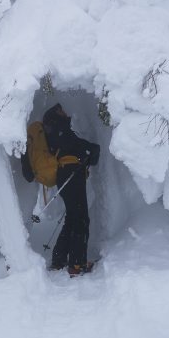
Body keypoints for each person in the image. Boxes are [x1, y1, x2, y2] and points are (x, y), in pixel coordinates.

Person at [41, 103, 100, 276]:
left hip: (65, 177)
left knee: (73, 217)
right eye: (61, 111)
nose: (65, 113)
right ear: (56, 117)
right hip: (72, 176)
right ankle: (77, 263)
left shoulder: (54, 134)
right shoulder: (63, 133)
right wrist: (93, 151)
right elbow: (87, 149)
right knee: (81, 219)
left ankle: (59, 260)